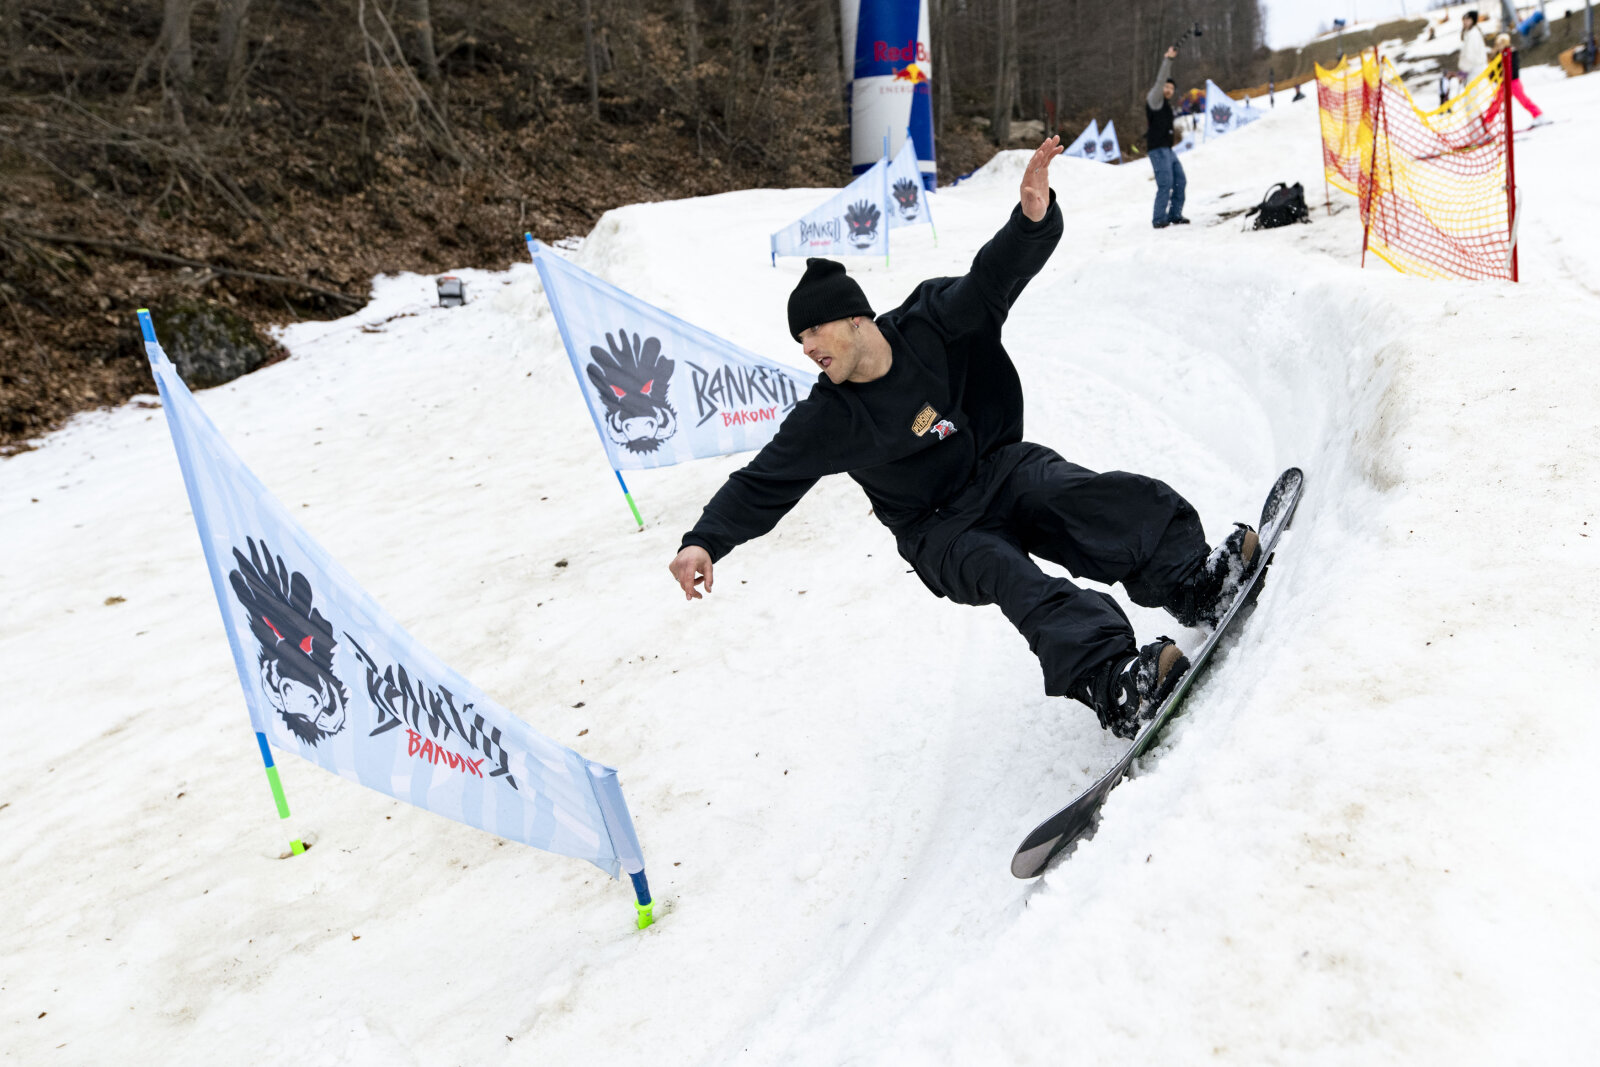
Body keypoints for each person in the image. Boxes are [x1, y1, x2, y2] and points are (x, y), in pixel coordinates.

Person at [666, 138, 1261, 739]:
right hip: (938, 530)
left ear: (855, 318)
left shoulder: (931, 324)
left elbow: (989, 280)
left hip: (998, 468)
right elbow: (762, 482)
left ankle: (1196, 584)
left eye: (814, 329)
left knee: (1080, 496)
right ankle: (1115, 683)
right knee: (1010, 574)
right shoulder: (828, 417)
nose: (807, 348)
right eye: (799, 341)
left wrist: (1031, 222)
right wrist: (704, 542)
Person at [1145, 46, 1188, 229]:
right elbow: (1160, 80)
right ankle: (1158, 219)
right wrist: (1168, 60)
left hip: (1168, 150)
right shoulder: (1154, 101)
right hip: (1157, 150)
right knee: (1166, 184)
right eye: (1166, 87)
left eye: (1172, 88)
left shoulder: (1167, 106)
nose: (1169, 89)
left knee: (1180, 180)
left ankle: (1175, 215)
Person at [1483, 33, 1550, 127]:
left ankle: (1539, 115)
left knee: (1524, 100)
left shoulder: (1511, 52)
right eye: (1499, 43)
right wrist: (1493, 78)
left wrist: (1506, 76)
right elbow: (1494, 71)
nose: (1500, 45)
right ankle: (1488, 121)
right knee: (1497, 102)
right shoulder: (1497, 56)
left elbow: (1513, 68)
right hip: (1503, 84)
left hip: (1513, 82)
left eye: (1502, 43)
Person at [1459, 10, 1490, 85]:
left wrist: (1463, 71)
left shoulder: (1473, 35)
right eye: (1464, 20)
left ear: (1473, 21)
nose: (1465, 22)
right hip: (1474, 70)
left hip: (1475, 71)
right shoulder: (1470, 34)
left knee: (1475, 95)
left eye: (1468, 20)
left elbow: (1470, 55)